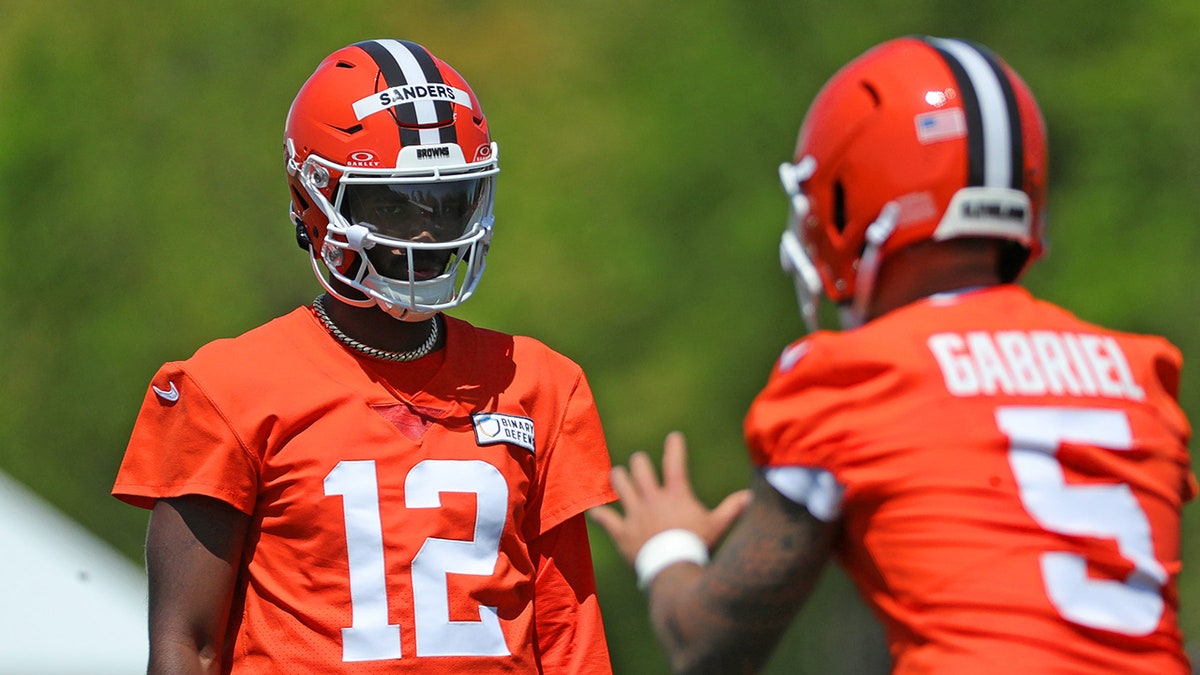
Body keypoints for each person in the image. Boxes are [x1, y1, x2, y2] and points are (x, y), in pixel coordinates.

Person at [590, 35, 1194, 674]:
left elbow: (709, 646)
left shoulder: (853, 378)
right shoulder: (1138, 373)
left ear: (850, 197)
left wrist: (668, 546)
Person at [113, 38, 615, 674]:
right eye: (392, 203)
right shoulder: (224, 390)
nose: (428, 230)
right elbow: (187, 648)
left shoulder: (541, 385)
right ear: (314, 199)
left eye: (447, 200)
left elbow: (572, 643)